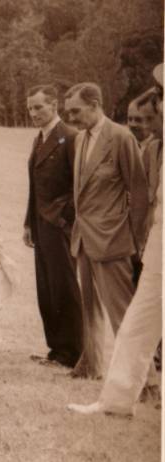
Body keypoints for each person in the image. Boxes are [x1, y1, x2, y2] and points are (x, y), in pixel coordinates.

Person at [67, 64, 163, 415]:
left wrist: (136, 240)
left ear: (95, 105)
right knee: (90, 309)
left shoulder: (121, 137)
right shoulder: (80, 139)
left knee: (127, 315)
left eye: (76, 110)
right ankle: (90, 364)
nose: (71, 117)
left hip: (113, 241)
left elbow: (138, 193)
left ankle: (149, 385)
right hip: (84, 239)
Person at [23, 85, 83, 369]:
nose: (34, 113)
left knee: (64, 286)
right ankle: (56, 349)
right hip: (40, 224)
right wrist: (28, 223)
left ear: (54, 105)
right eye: (30, 108)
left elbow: (79, 185)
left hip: (59, 226)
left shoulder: (69, 137)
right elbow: (35, 187)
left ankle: (72, 352)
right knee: (46, 287)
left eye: (39, 107)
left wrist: (63, 218)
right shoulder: (39, 139)